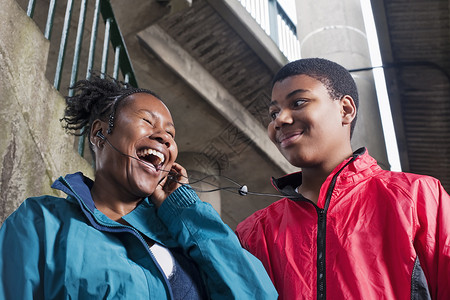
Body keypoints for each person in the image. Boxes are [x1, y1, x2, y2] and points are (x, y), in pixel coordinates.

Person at [0, 75, 278, 299]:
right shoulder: (43, 222)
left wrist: (186, 210)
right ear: (99, 134)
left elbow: (255, 294)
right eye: (147, 121)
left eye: (170, 135)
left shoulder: (180, 238)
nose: (164, 139)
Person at [236, 58, 450, 299]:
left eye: (298, 102)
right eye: (273, 112)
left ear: (345, 110)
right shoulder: (254, 231)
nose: (280, 120)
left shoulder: (416, 196)